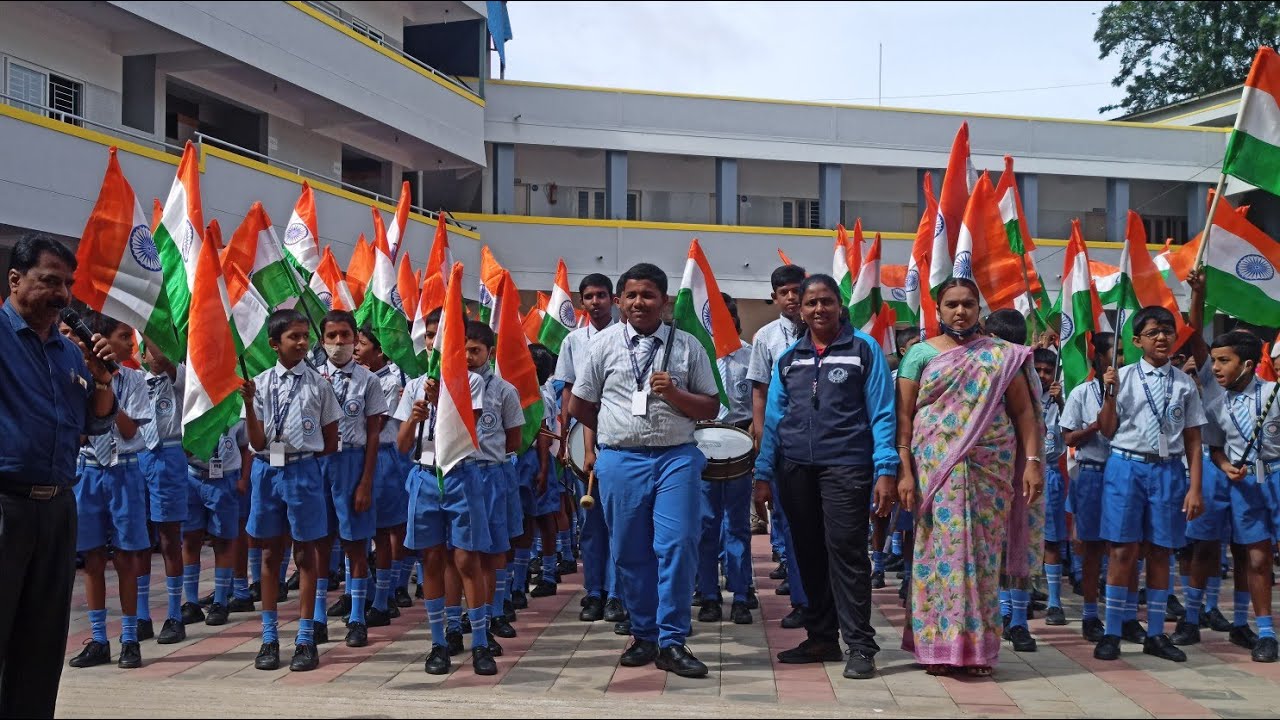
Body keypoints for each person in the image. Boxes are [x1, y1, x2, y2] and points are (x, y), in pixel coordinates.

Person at [569, 262, 721, 678]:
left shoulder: (688, 345)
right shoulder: (602, 345)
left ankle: (672, 640)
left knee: (678, 545)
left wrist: (674, 393)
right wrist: (613, 431)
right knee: (628, 551)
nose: (640, 302)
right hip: (620, 461)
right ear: (620, 301)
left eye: (649, 295)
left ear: (664, 301)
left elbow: (711, 406)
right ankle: (644, 634)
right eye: (632, 295)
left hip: (676, 458)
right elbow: (580, 404)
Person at [896, 278, 1043, 677]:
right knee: (938, 556)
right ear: (938, 310)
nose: (960, 311)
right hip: (935, 470)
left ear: (979, 309)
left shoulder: (1001, 355)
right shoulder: (920, 354)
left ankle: (977, 650)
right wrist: (904, 468)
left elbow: (1024, 413)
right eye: (951, 304)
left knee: (981, 558)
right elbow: (904, 417)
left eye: (968, 304)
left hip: (989, 470)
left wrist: (1032, 461)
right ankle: (937, 648)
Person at [754, 274, 898, 680]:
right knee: (808, 554)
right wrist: (763, 473)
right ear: (800, 311)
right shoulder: (789, 359)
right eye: (811, 303)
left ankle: (861, 645)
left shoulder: (863, 349)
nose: (819, 309)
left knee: (847, 554)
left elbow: (882, 413)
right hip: (795, 469)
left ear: (839, 305)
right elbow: (774, 420)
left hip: (847, 466)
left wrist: (885, 468)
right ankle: (821, 639)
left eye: (826, 301)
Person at [0, 235, 117, 718]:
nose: (62, 295)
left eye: (67, 284)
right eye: (50, 281)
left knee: (42, 639)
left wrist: (103, 380)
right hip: (6, 505)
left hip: (57, 507)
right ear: (15, 280)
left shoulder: (70, 354)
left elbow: (96, 423)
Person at [1172, 270, 1278, 662]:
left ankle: (1259, 630)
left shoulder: (1273, 394)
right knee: (1204, 548)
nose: (1214, 367)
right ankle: (1191, 618)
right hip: (1219, 477)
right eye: (1213, 361)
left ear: (1247, 364)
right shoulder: (1214, 389)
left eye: (1224, 361)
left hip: (1260, 482)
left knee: (1255, 556)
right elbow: (1195, 337)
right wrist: (1197, 295)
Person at [1094, 306, 1206, 663]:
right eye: (1153, 332)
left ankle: (1156, 633)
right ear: (1137, 340)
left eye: (1168, 331)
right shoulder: (1122, 377)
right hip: (1126, 467)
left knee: (1161, 550)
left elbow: (1193, 440)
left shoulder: (1184, 384)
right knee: (1122, 550)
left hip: (1168, 470)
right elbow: (1107, 429)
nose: (1162, 337)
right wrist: (1109, 394)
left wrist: (1195, 487)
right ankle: (1112, 631)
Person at [241, 308, 342, 672]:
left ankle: (305, 637)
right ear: (274, 344)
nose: (302, 342)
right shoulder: (260, 383)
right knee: (270, 554)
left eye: (304, 336)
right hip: (267, 470)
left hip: (303, 471)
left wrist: (303, 461)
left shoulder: (319, 384)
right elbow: (256, 441)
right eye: (293, 337)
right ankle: (269, 637)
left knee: (307, 554)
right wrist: (248, 403)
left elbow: (330, 440)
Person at [393, 338, 487, 675]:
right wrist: (414, 418)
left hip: (460, 475)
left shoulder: (470, 381)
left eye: (443, 335)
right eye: (431, 336)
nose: (437, 342)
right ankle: (438, 642)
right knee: (431, 560)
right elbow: (403, 445)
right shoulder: (414, 386)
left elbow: (467, 431)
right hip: (425, 475)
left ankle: (480, 643)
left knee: (466, 560)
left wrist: (440, 401)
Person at [67, 314, 153, 671]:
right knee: (92, 558)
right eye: (123, 336)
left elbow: (131, 430)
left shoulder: (133, 379)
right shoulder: (78, 377)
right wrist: (93, 383)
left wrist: (108, 388)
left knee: (127, 557)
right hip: (88, 471)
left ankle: (130, 638)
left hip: (124, 471)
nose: (131, 343)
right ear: (100, 339)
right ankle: (99, 639)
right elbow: (78, 434)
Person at [553, 273, 626, 625]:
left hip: (617, 437)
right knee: (591, 523)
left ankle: (617, 593)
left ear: (613, 299)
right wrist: (564, 438)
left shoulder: (625, 336)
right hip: (583, 441)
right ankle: (594, 591)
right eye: (589, 296)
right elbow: (569, 392)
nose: (595, 302)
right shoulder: (573, 341)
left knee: (619, 523)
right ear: (581, 302)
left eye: (601, 295)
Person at [747, 264, 809, 629]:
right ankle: (793, 575)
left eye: (796, 290)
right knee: (784, 513)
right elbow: (759, 391)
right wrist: (761, 437)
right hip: (781, 439)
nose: (792, 297)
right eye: (784, 292)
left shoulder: (824, 332)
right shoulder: (765, 338)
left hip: (822, 441)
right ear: (774, 297)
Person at [984, 308, 1045, 655]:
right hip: (989, 465)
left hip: (1022, 465)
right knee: (992, 542)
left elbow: (1029, 417)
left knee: (1021, 538)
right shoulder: (982, 366)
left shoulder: (1024, 369)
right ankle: (1000, 614)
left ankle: (1018, 620)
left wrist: (1032, 463)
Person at [694, 293, 755, 626]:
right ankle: (708, 595)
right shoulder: (697, 354)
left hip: (739, 443)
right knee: (706, 524)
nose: (721, 322)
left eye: (727, 315)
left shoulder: (750, 354)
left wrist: (753, 438)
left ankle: (742, 594)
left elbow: (757, 403)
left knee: (737, 525)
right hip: (703, 446)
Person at [1061, 332, 1117, 643]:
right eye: (1115, 353)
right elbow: (1068, 438)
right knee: (1092, 547)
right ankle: (1090, 614)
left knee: (1125, 547)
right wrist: (1095, 426)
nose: (1122, 359)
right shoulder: (1081, 393)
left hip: (1123, 471)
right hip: (1092, 472)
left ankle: (1122, 615)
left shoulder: (1131, 388)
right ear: (1099, 358)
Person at [355, 326, 414, 616]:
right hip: (358, 455)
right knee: (357, 529)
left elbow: (376, 423)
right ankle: (362, 592)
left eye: (362, 343)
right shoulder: (356, 377)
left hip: (385, 456)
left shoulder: (389, 382)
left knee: (388, 526)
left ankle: (389, 591)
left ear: (379, 351)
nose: (355, 348)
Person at [136, 340, 191, 645]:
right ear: (142, 354)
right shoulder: (136, 382)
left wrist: (168, 360)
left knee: (170, 538)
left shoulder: (179, 377)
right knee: (139, 539)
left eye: (163, 346)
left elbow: (176, 372)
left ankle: (174, 615)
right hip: (139, 456)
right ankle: (141, 616)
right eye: (150, 348)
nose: (157, 353)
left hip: (169, 456)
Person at [183, 419, 252, 626]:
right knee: (190, 540)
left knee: (223, 541)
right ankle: (191, 603)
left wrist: (243, 479)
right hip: (193, 476)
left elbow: (245, 447)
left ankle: (221, 602)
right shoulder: (192, 406)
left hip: (225, 479)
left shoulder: (234, 408)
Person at [529, 343, 568, 599]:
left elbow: (543, 432)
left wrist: (543, 468)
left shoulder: (540, 394)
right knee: (536, 519)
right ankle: (541, 570)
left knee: (544, 519)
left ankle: (548, 574)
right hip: (541, 459)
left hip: (539, 459)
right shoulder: (543, 390)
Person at [1033, 347, 1068, 627]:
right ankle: (1019, 598)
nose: (1043, 376)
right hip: (1022, 473)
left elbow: (1071, 432)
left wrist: (1063, 403)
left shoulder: (1059, 400)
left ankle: (1055, 601)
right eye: (1038, 370)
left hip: (1050, 472)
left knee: (1051, 540)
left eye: (1048, 371)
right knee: (1021, 538)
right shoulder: (1021, 394)